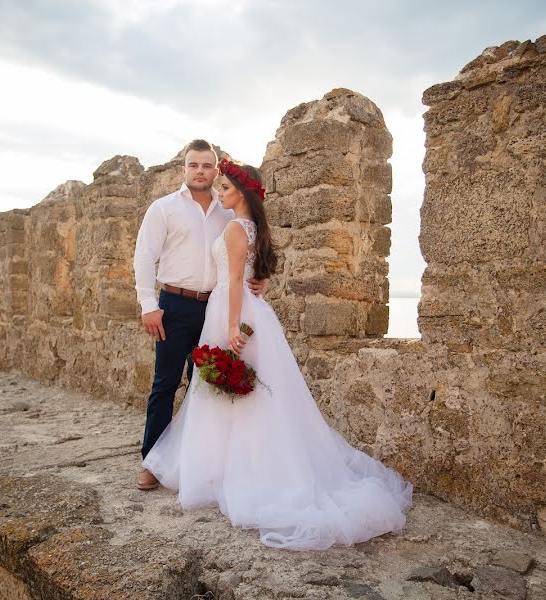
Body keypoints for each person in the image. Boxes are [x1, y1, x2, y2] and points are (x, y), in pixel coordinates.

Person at [142, 159, 413, 551]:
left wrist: (232, 327)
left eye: (226, 189)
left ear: (243, 193)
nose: (220, 193)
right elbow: (251, 270)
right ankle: (228, 466)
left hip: (229, 310)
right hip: (241, 310)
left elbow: (236, 279)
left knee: (229, 388)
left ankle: (230, 471)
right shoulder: (251, 226)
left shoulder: (236, 227)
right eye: (218, 187)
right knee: (238, 391)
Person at [133, 140, 266, 491]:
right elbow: (144, 257)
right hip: (174, 306)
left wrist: (261, 275)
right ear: (184, 168)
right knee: (165, 383)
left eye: (207, 166)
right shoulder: (163, 208)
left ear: (216, 171)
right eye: (194, 165)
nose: (200, 171)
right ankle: (153, 463)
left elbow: (249, 249)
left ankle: (199, 463)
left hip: (215, 308)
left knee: (205, 388)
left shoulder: (227, 209)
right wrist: (149, 305)